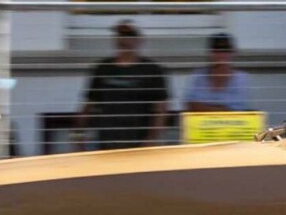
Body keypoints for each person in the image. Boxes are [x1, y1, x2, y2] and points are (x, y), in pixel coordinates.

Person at [79, 20, 170, 149]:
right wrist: (79, 134)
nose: (124, 40)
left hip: (139, 142)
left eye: (129, 35)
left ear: (139, 40)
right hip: (107, 141)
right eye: (120, 35)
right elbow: (89, 104)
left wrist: (152, 139)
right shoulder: (102, 68)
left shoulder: (152, 70)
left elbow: (161, 109)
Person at [183, 33, 251, 113]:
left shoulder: (241, 78)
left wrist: (204, 107)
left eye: (225, 50)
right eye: (216, 50)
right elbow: (190, 105)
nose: (221, 54)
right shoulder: (199, 76)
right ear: (210, 53)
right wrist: (221, 109)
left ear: (233, 53)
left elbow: (236, 110)